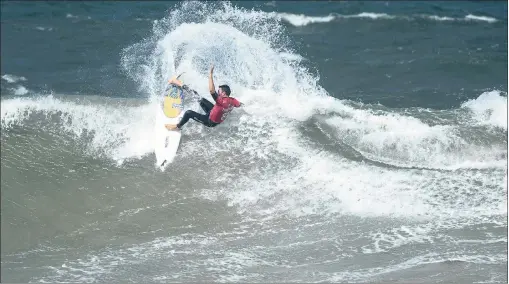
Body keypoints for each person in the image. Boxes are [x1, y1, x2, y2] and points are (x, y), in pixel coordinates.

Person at [165, 66, 243, 131]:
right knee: (198, 97)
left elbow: (211, 90)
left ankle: (177, 127)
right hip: (213, 111)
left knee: (189, 113)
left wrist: (210, 74)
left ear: (223, 93)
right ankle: (179, 84)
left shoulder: (221, 101)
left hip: (210, 121)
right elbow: (240, 104)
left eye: (219, 91)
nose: (218, 93)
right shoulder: (233, 100)